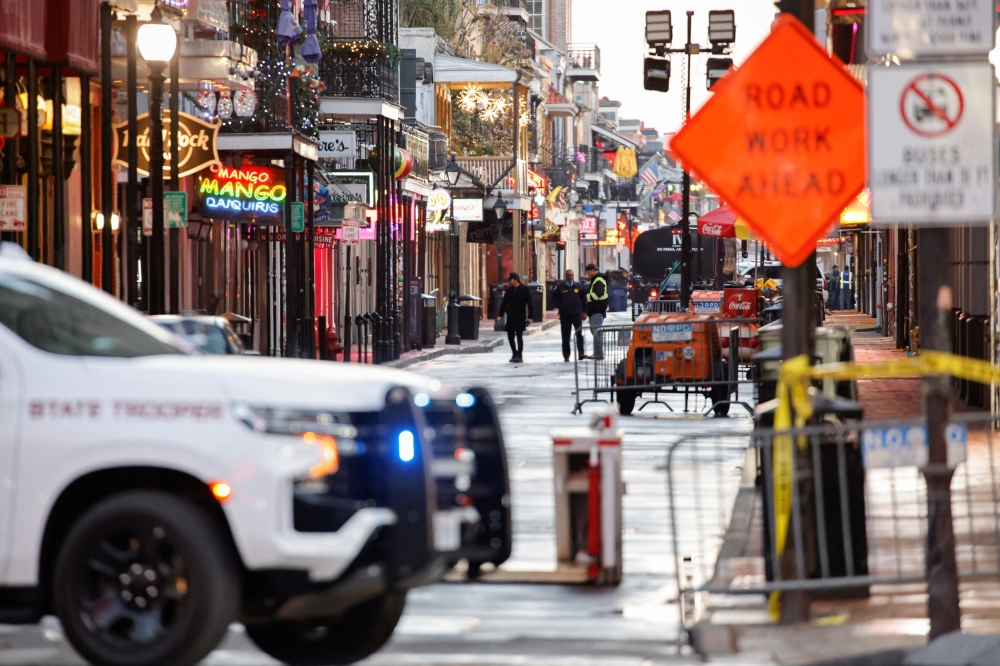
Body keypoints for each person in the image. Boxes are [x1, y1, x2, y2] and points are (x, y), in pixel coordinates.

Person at [496, 272, 534, 363]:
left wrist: (530, 317)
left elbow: (530, 304)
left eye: (510, 280)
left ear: (516, 280)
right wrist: (500, 315)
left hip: (520, 316)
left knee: (519, 336)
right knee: (510, 336)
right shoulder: (508, 290)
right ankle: (514, 353)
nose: (509, 282)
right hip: (511, 316)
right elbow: (504, 303)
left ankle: (519, 354)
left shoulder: (525, 289)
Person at [552, 268, 587, 362]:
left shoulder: (579, 286)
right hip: (565, 315)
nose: (570, 277)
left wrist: (584, 312)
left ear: (573, 276)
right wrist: (561, 306)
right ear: (565, 276)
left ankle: (581, 353)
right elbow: (554, 298)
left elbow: (584, 299)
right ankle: (566, 355)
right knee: (565, 336)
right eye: (568, 275)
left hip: (576, 314)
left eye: (571, 275)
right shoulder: (560, 287)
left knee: (579, 334)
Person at [585, 264, 609, 360]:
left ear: (594, 270)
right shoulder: (596, 279)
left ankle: (598, 354)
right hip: (595, 310)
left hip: (597, 309)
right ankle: (597, 353)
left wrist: (585, 297)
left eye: (588, 272)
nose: (588, 274)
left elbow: (597, 295)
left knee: (597, 332)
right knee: (595, 332)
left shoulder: (598, 280)